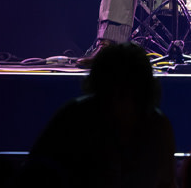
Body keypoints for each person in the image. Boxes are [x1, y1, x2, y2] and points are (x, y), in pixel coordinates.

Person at [22, 41, 175, 188]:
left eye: (125, 93)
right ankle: (107, 40)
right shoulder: (74, 115)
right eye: (116, 92)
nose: (120, 102)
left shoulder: (73, 113)